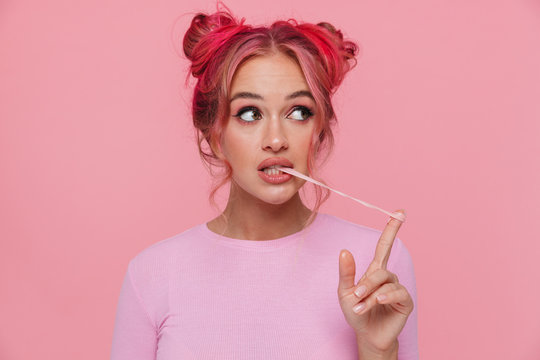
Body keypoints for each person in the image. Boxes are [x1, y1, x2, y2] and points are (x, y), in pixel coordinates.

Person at [110, 3, 418, 359]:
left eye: (298, 112)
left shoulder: (379, 267)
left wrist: (378, 350)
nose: (276, 139)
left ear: (318, 132)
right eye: (249, 113)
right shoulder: (151, 274)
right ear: (215, 135)